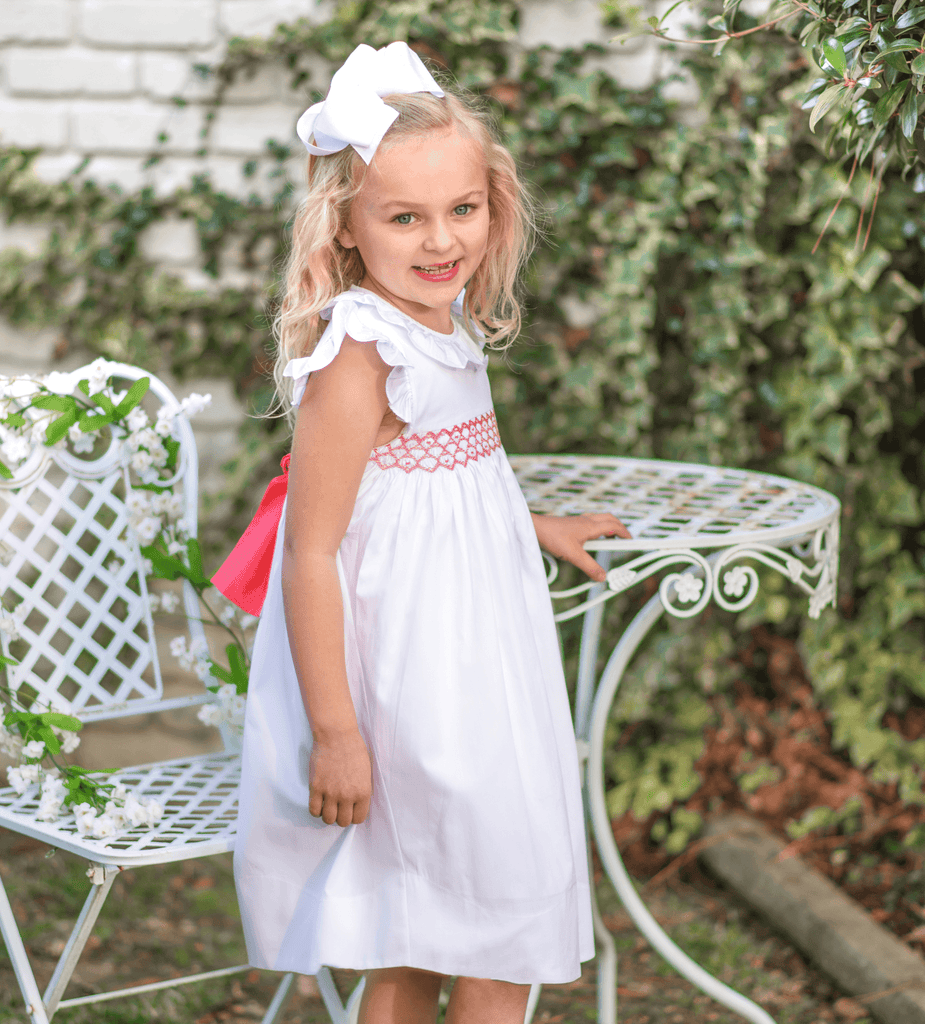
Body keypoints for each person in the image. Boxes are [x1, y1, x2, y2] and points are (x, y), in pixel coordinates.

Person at [212, 40, 632, 1024]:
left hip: (476, 658)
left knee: (440, 918)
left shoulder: (442, 319)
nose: (441, 240)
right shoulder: (361, 348)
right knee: (482, 926)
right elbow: (312, 548)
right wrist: (336, 733)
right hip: (403, 681)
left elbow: (430, 484)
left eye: (463, 209)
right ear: (348, 229)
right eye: (404, 216)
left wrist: (529, 523)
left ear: (494, 204)